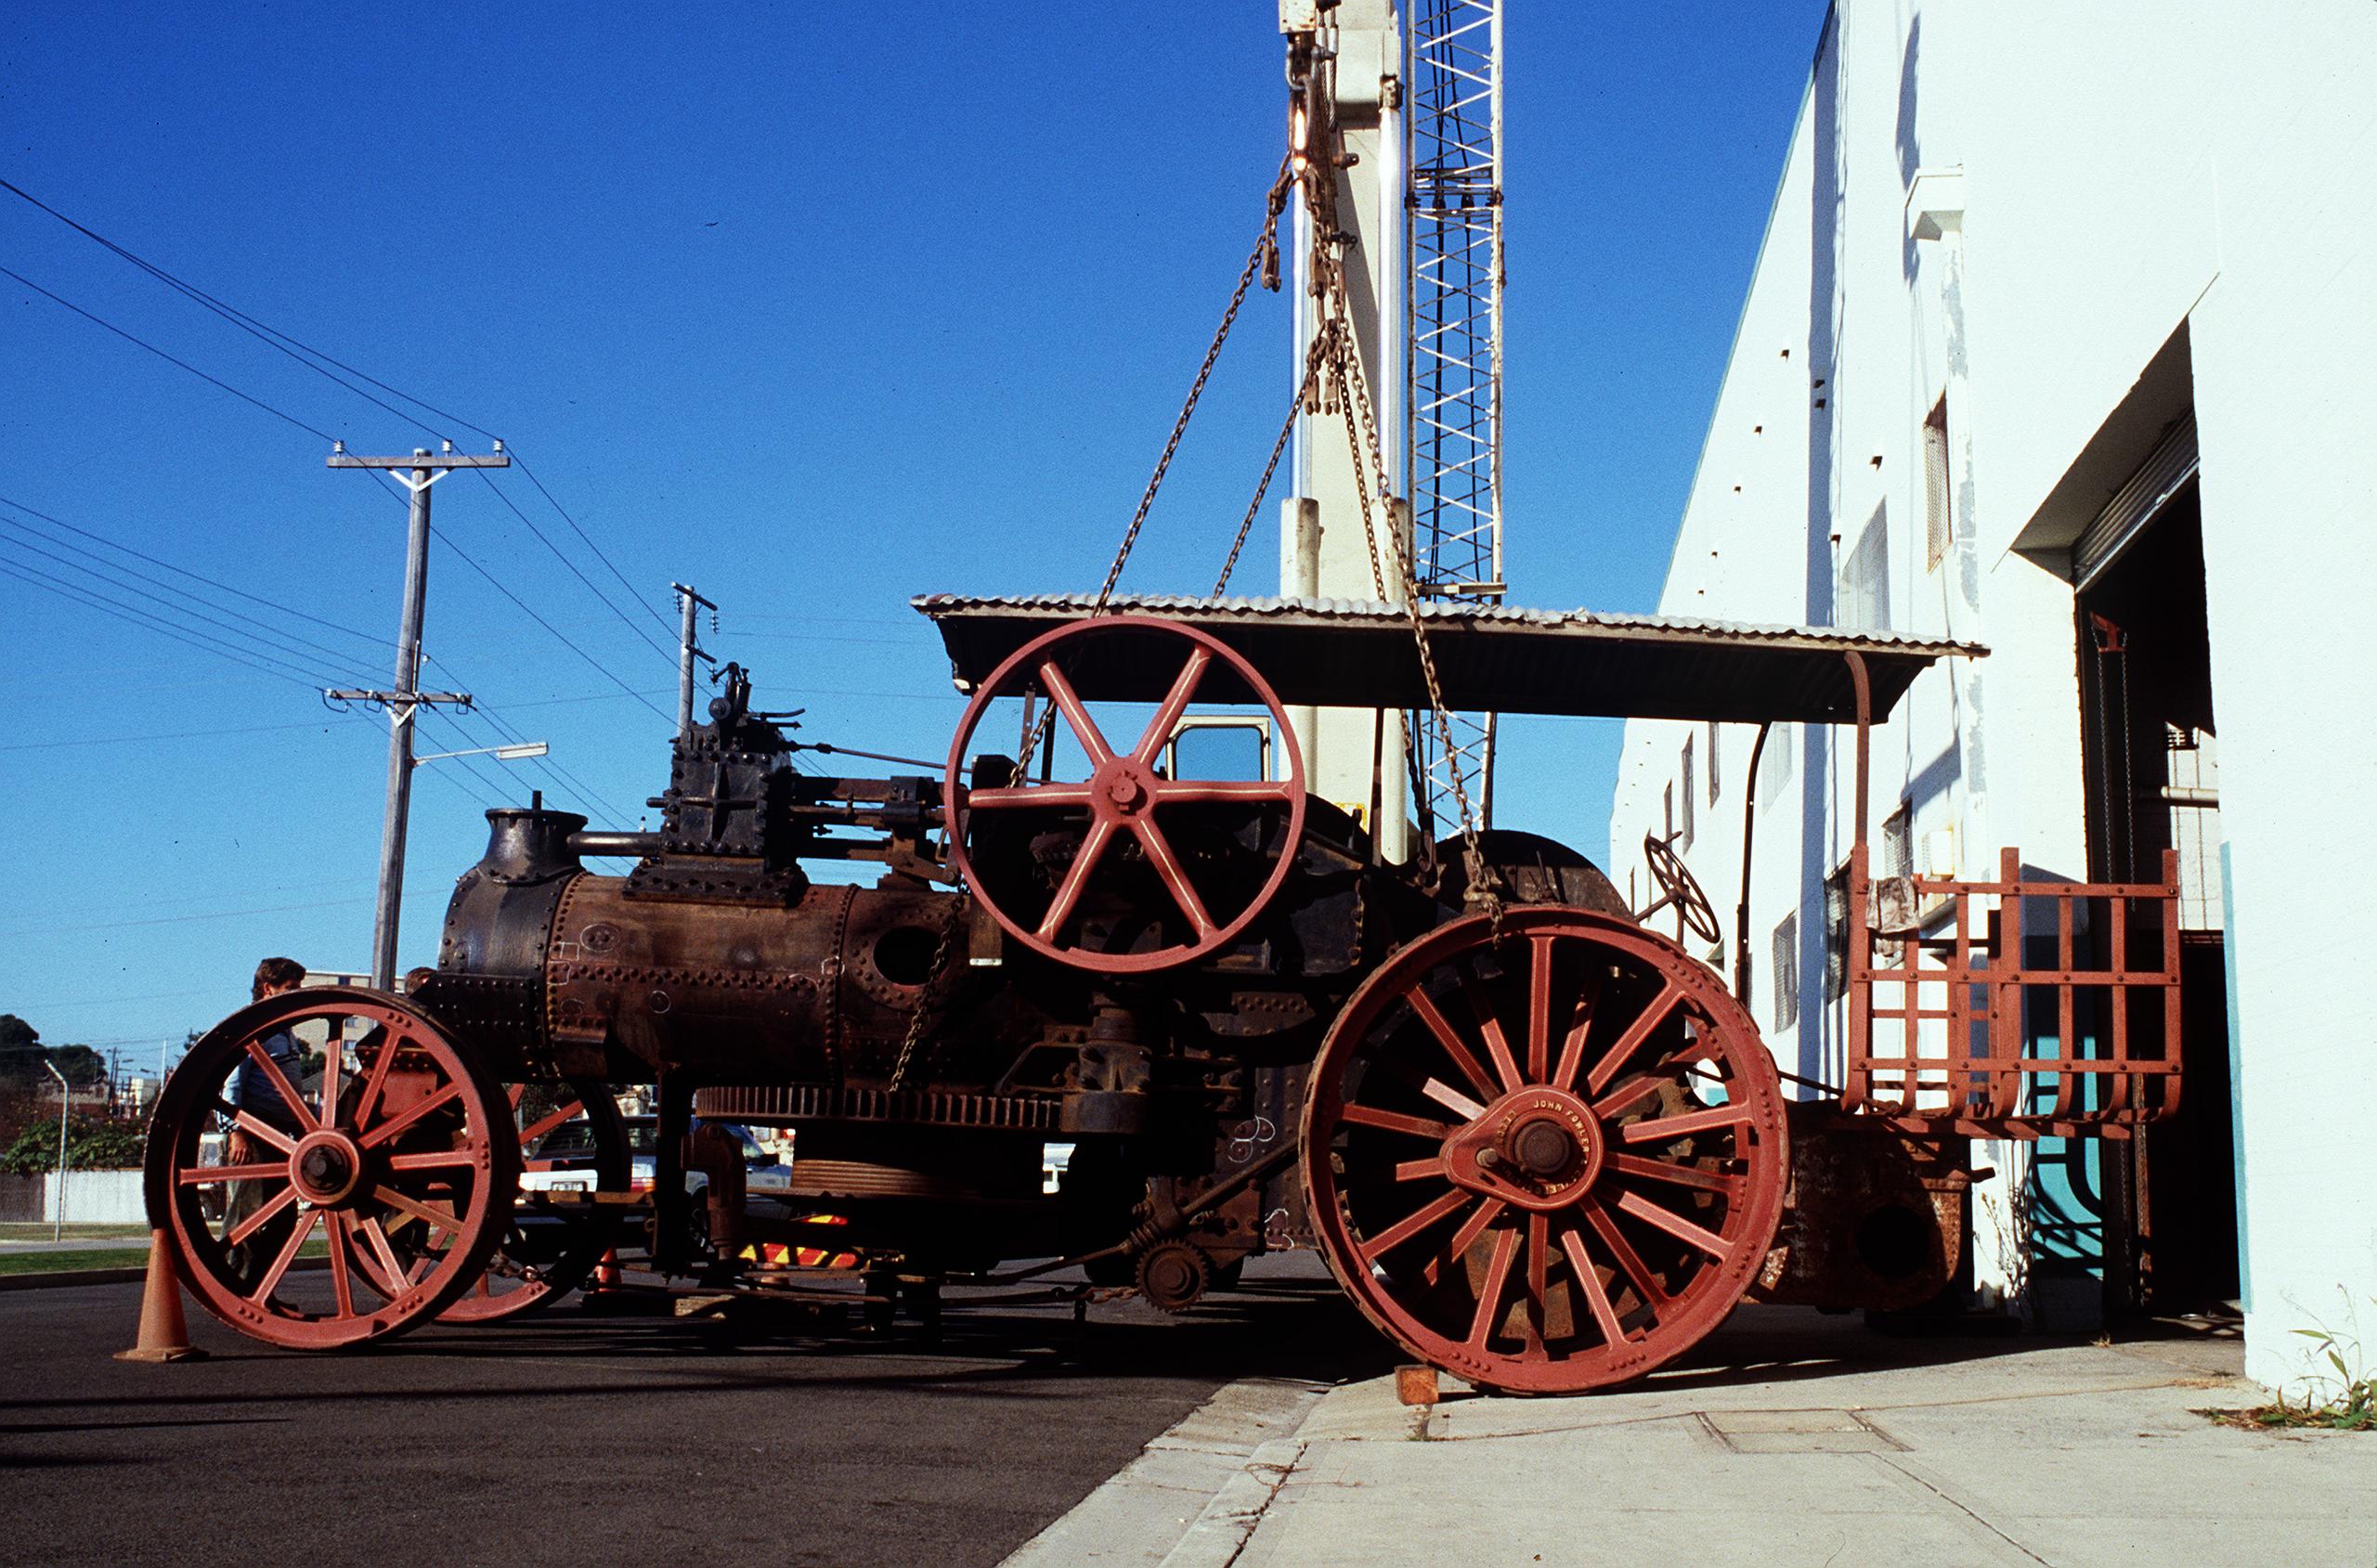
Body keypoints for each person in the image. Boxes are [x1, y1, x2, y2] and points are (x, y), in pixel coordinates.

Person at [223, 957, 307, 1287]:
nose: (295, 994)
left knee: (283, 1217)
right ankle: (235, 1287)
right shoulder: (252, 1026)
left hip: (278, 1134)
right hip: (255, 1131)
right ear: (267, 988)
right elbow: (231, 1083)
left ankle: (259, 1289)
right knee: (249, 1214)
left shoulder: (282, 1028)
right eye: (289, 988)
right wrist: (236, 1131)